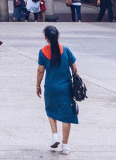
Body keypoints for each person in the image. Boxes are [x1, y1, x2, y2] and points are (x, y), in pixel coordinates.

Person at [36, 26, 78, 155]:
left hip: (50, 87)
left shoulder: (42, 52)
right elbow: (75, 68)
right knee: (66, 116)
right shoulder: (65, 50)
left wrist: (37, 86)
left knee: (50, 109)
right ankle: (65, 146)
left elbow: (40, 71)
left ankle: (55, 135)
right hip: (65, 88)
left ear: (46, 38)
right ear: (58, 37)